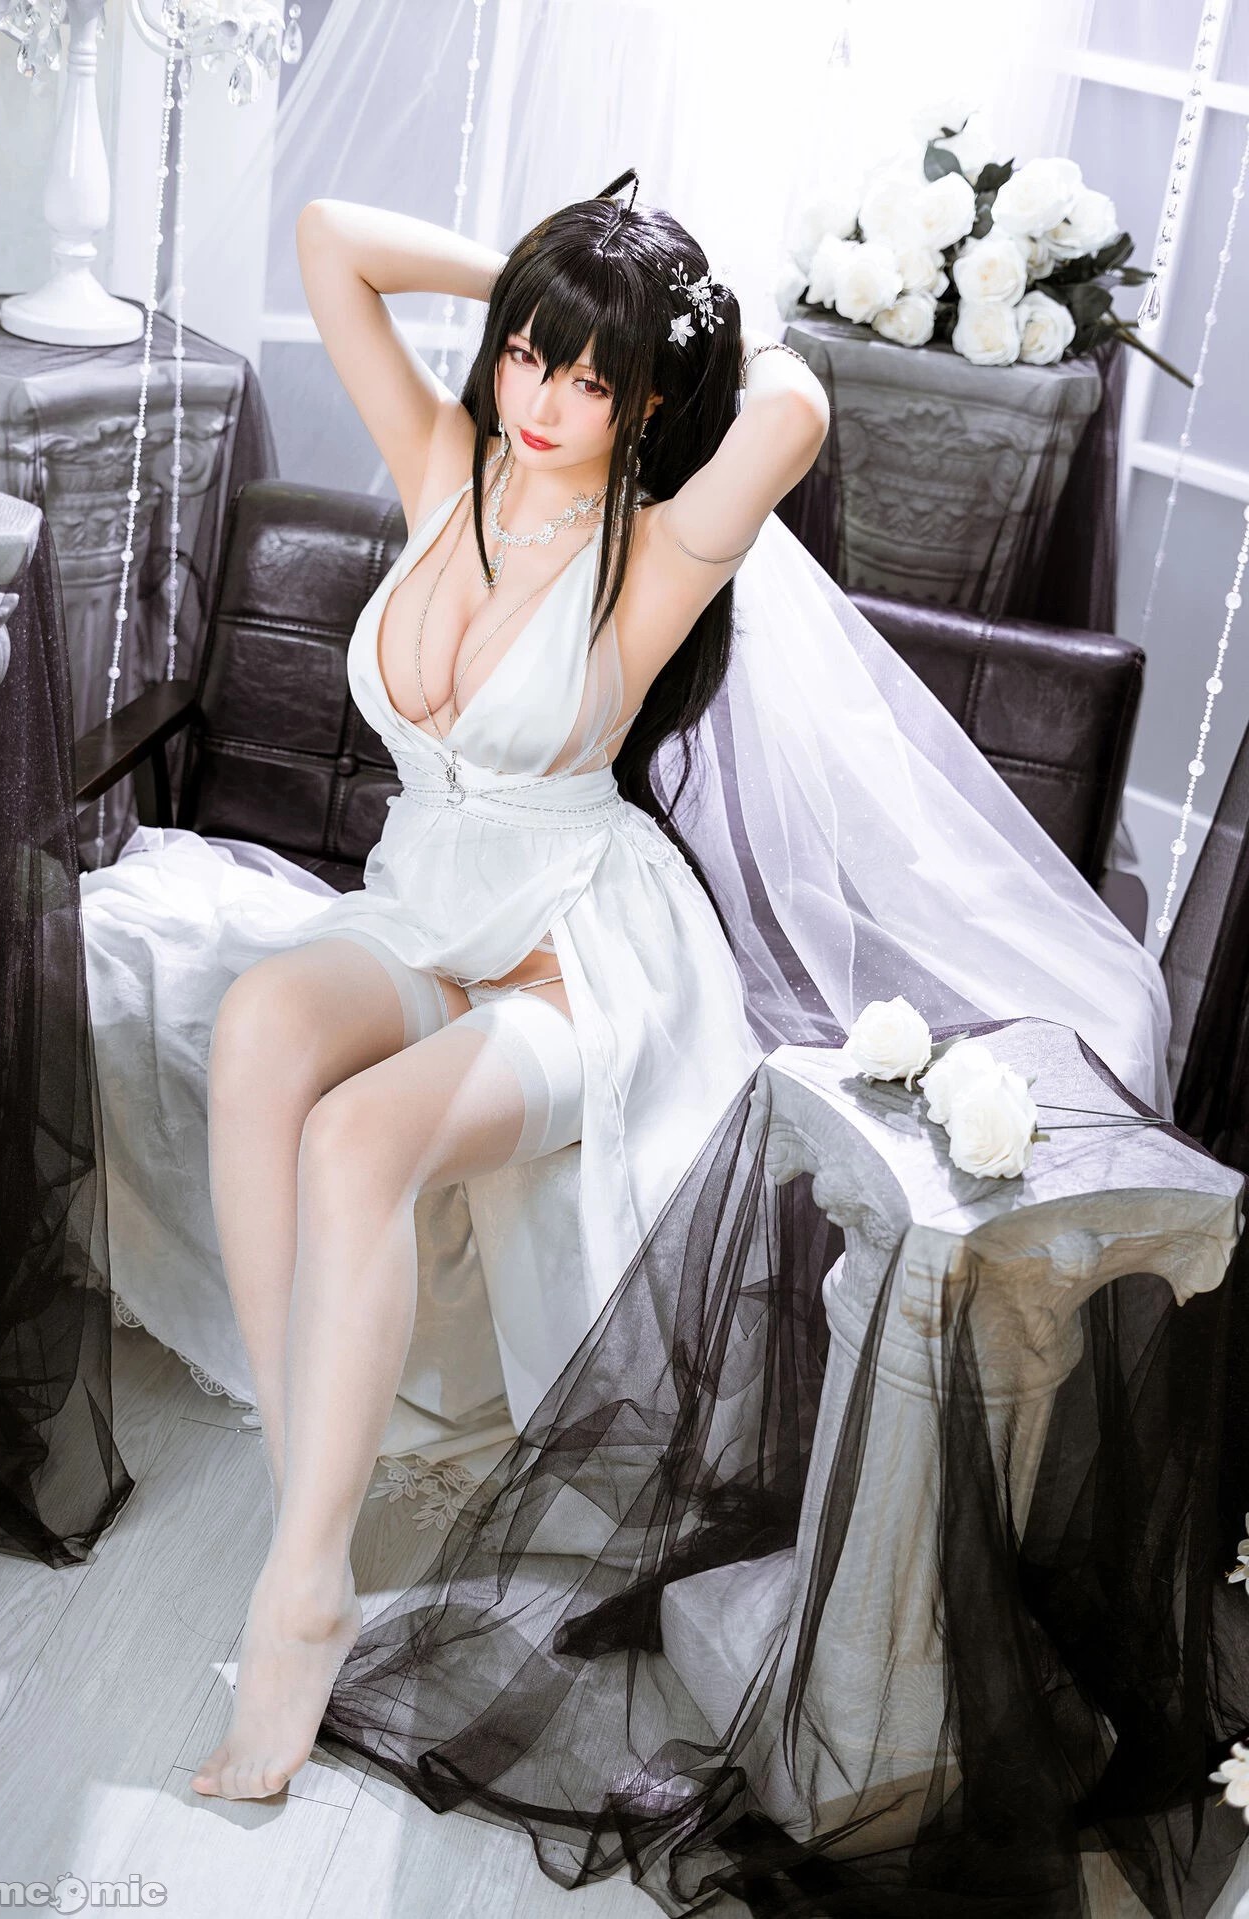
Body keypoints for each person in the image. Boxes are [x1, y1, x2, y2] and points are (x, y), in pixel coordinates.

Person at [78, 169, 1177, 1831]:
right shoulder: (448, 466)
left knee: (358, 1140)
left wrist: (655, 325)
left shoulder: (652, 553)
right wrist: (541, 279)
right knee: (256, 1033)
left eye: (592, 381)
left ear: (647, 400)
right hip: (424, 909)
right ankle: (317, 1493)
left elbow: (795, 404)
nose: (543, 400)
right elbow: (329, 240)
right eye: (529, 356)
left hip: (581, 959)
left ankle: (297, 1593)